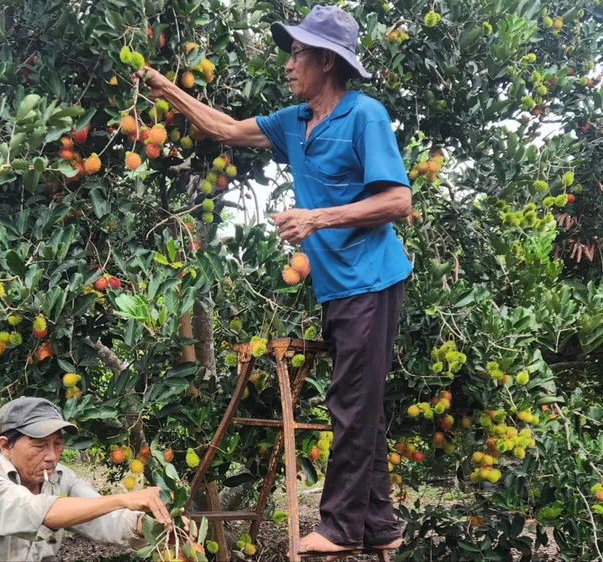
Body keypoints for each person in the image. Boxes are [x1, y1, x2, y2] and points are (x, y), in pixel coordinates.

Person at [134, 4, 412, 558]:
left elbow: (398, 200)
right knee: (362, 402)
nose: (288, 63)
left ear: (327, 62)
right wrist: (164, 87)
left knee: (351, 401)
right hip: (337, 287)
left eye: (297, 53)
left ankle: (340, 527)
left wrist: (316, 218)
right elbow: (222, 128)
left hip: (372, 280)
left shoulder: (365, 115)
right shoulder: (293, 122)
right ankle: (379, 523)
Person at [0, 397, 175, 561]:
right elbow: (37, 511)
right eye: (40, 445)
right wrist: (123, 499)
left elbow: (104, 517)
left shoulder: (61, 477)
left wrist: (153, 524)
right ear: (6, 445)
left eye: (58, 444)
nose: (52, 455)